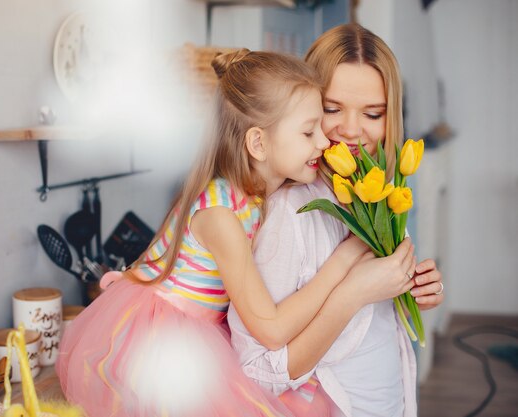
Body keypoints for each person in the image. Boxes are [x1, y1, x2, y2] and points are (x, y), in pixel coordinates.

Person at [56, 48, 410, 417]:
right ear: (258, 143)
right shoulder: (221, 215)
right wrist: (346, 259)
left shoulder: (261, 197)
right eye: (309, 131)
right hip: (158, 343)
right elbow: (270, 330)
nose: (323, 142)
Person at [228, 23, 444, 417]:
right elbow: (257, 371)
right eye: (331, 109)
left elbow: (368, 330)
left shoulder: (376, 192)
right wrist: (353, 294)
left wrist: (409, 289)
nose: (350, 129)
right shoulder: (290, 213)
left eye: (373, 113)